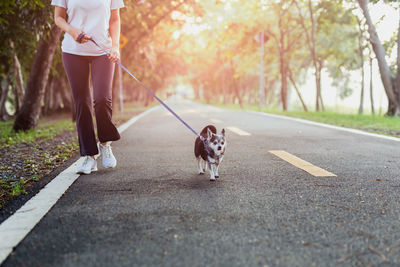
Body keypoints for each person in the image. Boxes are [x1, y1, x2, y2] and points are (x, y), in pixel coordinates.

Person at [51, 0, 125, 174]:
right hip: (73, 50)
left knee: (101, 98)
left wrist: (115, 46)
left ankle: (105, 143)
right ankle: (89, 155)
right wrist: (72, 30)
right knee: (81, 102)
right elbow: (58, 18)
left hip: (103, 51)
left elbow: (115, 19)